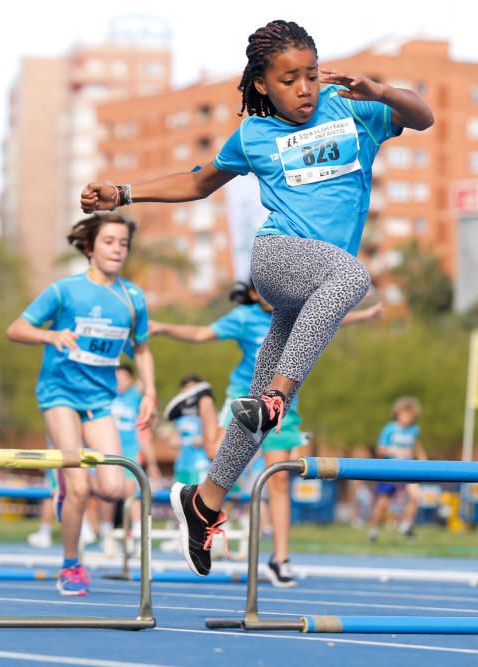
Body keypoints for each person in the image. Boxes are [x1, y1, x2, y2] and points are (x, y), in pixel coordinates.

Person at [81, 19, 432, 575]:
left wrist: (382, 92)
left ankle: (205, 502)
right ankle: (276, 395)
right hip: (279, 258)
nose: (305, 89)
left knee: (263, 412)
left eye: (311, 75)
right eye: (289, 79)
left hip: (314, 284)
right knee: (352, 279)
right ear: (263, 85)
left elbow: (423, 116)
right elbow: (198, 182)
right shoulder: (254, 136)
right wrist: (123, 192)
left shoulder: (353, 108)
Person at [151, 281, 381, 585]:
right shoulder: (243, 318)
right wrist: (160, 326)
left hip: (282, 404)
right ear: (253, 293)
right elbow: (200, 333)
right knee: (214, 454)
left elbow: (330, 316)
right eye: (263, 290)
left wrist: (364, 316)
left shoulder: (299, 314)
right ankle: (204, 401)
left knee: (279, 479)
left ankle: (280, 559)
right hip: (245, 395)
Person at [6, 213, 156, 596]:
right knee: (78, 488)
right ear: (90, 248)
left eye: (123, 243)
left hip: (100, 399)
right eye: (109, 242)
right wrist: (50, 335)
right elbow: (16, 329)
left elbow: (141, 348)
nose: (117, 249)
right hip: (59, 395)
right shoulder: (64, 291)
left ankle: (67, 492)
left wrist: (150, 392)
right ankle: (71, 566)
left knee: (113, 487)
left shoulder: (132, 297)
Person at [100, 364, 162, 556]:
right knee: (107, 492)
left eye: (123, 378)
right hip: (106, 448)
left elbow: (145, 378)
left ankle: (136, 533)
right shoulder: (105, 394)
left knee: (131, 490)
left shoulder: (135, 396)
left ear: (129, 380)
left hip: (129, 450)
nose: (119, 381)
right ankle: (106, 534)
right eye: (116, 377)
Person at [367, 397, 427, 541]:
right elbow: (380, 449)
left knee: (415, 495)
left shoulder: (414, 430)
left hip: (408, 468)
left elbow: (415, 446)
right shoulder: (390, 429)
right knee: (383, 503)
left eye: (410, 415)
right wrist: (397, 452)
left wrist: (422, 457)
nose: (407, 418)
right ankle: (373, 531)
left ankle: (405, 526)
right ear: (398, 413)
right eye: (405, 414)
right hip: (390, 468)